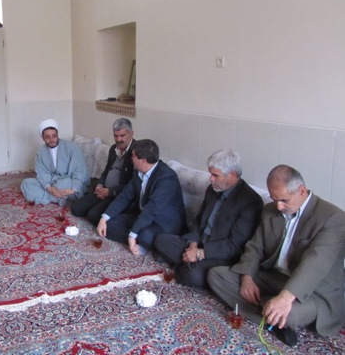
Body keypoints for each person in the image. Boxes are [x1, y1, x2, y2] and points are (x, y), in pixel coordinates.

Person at [208, 165, 345, 346]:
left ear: (301, 191)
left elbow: (315, 263)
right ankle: (271, 316)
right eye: (274, 199)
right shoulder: (271, 210)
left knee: (289, 315)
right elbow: (255, 246)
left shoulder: (333, 217)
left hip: (314, 291)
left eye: (284, 200)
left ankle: (272, 314)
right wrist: (247, 278)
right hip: (274, 277)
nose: (279, 206)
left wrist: (285, 298)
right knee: (216, 275)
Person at [154, 149, 263, 288]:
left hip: (219, 255)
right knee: (161, 240)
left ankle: (186, 267)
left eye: (215, 175)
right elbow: (199, 220)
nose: (211, 179)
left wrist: (200, 253)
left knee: (193, 275)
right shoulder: (213, 190)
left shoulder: (250, 201)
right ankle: (187, 265)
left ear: (232, 175)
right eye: (211, 174)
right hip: (199, 244)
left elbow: (235, 246)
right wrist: (193, 244)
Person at [96, 139, 185, 255]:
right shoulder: (138, 172)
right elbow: (124, 197)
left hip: (163, 222)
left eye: (133, 156)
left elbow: (152, 209)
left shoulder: (167, 178)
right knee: (109, 224)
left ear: (143, 160)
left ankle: (138, 239)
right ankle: (138, 241)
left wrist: (133, 234)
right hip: (143, 215)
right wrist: (104, 219)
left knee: (145, 235)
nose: (131, 158)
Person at [71, 118, 136, 225]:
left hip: (117, 195)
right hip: (103, 190)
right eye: (115, 136)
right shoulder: (114, 149)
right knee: (76, 209)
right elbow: (106, 171)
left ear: (131, 134)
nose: (118, 140)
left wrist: (110, 192)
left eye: (122, 135)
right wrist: (99, 185)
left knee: (93, 216)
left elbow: (132, 185)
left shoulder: (136, 153)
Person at [21, 119, 90, 205]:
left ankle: (45, 197)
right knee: (26, 183)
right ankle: (59, 199)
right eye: (47, 137)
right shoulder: (41, 152)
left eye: (54, 136)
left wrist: (72, 190)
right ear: (43, 138)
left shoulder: (72, 147)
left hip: (70, 181)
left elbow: (79, 171)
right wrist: (49, 188)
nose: (51, 139)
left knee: (62, 185)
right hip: (52, 181)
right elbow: (42, 172)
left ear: (58, 135)